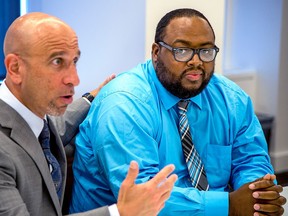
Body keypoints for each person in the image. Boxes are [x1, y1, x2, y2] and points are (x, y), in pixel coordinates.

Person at [70, 8, 287, 216]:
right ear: (156, 52)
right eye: (181, 51)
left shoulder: (231, 99)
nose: (196, 61)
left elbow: (251, 160)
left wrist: (257, 196)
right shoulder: (123, 104)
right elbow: (142, 198)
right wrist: (229, 206)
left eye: (206, 51)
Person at [0, 12, 178, 216]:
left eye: (74, 61)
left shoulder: (30, 112)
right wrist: (120, 213)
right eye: (57, 62)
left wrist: (91, 97)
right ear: (15, 68)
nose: (74, 79)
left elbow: (57, 128)